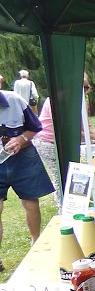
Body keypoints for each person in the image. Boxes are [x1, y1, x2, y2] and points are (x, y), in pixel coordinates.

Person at [0, 88, 54, 271]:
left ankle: (36, 244)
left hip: (23, 157)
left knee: (30, 202)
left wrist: (21, 139)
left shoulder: (14, 100)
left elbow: (35, 126)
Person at [33, 75, 95, 207]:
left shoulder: (79, 101)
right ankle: (63, 209)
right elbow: (65, 129)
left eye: (86, 88)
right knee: (60, 176)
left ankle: (73, 205)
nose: (84, 91)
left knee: (71, 173)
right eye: (82, 87)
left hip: (64, 142)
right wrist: (92, 136)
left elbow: (85, 126)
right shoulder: (57, 100)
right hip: (48, 142)